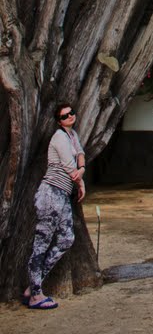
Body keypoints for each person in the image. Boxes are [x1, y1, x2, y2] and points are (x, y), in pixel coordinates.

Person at [23, 103, 86, 310]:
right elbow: (69, 165)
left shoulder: (72, 135)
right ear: (58, 120)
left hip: (63, 194)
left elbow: (79, 154)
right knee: (41, 243)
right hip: (50, 193)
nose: (69, 116)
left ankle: (33, 286)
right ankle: (35, 295)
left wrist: (82, 169)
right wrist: (80, 180)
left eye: (71, 113)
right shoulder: (59, 136)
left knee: (66, 238)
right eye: (64, 115)